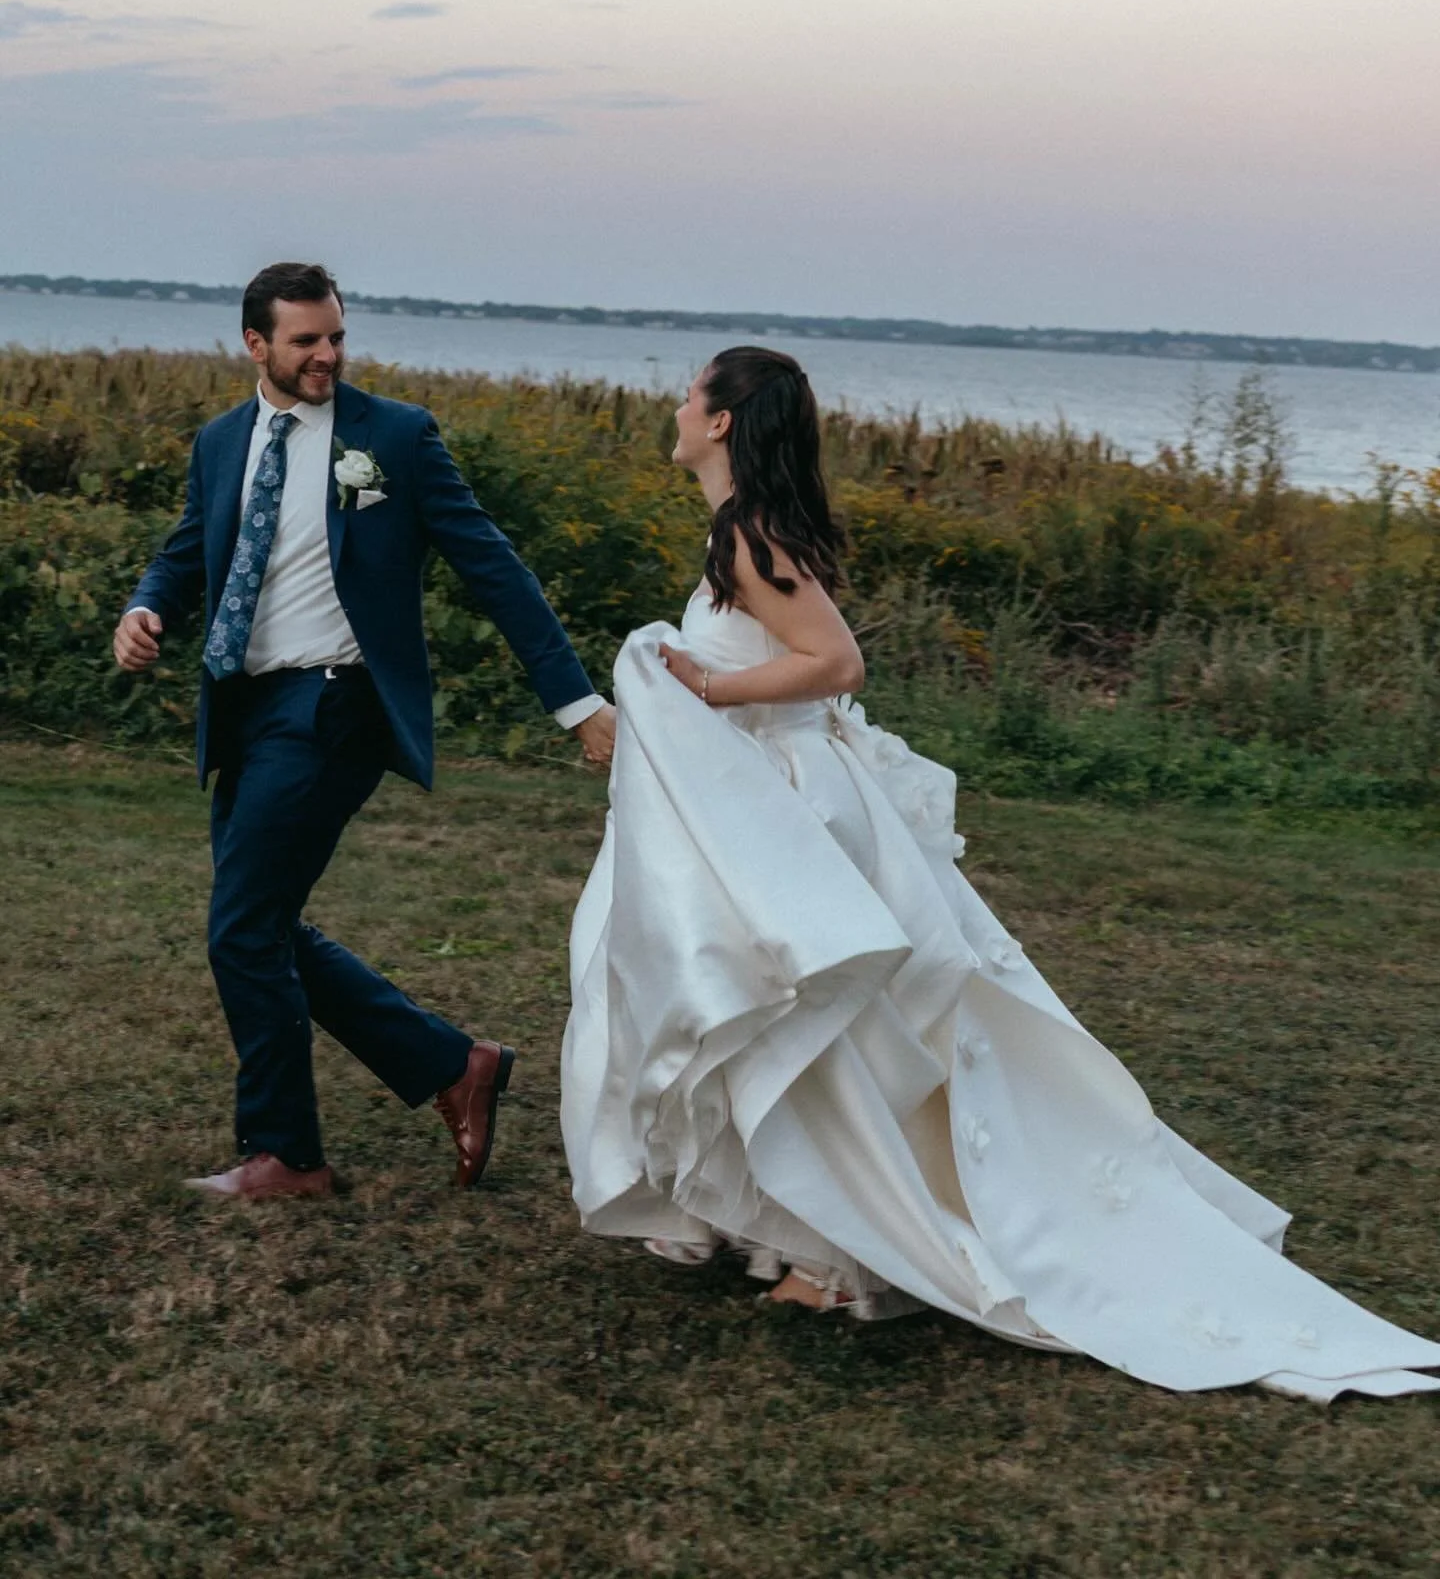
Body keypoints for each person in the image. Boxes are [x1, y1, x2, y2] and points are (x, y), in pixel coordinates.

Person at [561, 345, 1440, 1402]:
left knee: (817, 1027)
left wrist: (706, 683)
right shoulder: (742, 527)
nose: (674, 404)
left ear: (721, 421)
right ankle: (765, 1224)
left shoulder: (750, 533)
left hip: (784, 805)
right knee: (760, 1005)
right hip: (755, 800)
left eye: (688, 393)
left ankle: (844, 1259)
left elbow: (837, 664)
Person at [115, 261, 615, 1200]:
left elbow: (494, 569)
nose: (327, 355)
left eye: (336, 335)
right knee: (260, 925)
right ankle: (452, 1065)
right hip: (247, 706)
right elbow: (192, 546)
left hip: (338, 705)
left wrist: (577, 701)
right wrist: (147, 607)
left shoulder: (395, 437)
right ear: (255, 344)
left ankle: (287, 1157)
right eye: (306, 340)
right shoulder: (223, 441)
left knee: (242, 929)